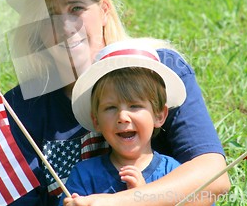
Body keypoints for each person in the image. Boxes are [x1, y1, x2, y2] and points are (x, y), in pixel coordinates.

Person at [2, 0, 230, 206]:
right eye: (50, 15)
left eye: (76, 8)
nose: (65, 27)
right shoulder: (20, 108)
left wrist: (121, 202)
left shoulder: (159, 69)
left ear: (105, 10)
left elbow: (213, 176)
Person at [57, 40, 187, 206]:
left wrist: (142, 197)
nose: (123, 117)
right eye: (111, 107)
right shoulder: (84, 176)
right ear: (96, 120)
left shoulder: (172, 173)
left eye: (135, 106)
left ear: (159, 115)